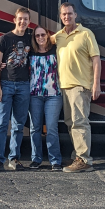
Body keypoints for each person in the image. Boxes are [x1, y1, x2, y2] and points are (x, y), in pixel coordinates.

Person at [53, 2, 100, 173]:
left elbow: (96, 59)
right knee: (70, 123)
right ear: (60, 16)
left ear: (75, 15)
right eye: (64, 14)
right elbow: (40, 43)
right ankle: (78, 155)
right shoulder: (58, 36)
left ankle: (84, 160)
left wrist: (96, 84)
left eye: (69, 13)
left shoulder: (86, 34)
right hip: (64, 86)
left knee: (79, 122)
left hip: (80, 86)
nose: (67, 16)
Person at [0, 7, 32, 172]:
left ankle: (14, 159)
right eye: (20, 18)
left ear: (29, 21)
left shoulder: (31, 39)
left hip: (24, 85)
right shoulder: (4, 39)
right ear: (14, 20)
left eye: (25, 19)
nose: (22, 22)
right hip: (6, 84)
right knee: (2, 124)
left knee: (18, 125)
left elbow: (46, 43)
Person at [27, 26, 63, 171]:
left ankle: (55, 160)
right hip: (34, 95)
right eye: (37, 36)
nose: (40, 38)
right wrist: (3, 65)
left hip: (53, 95)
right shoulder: (30, 52)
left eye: (43, 35)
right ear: (34, 38)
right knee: (34, 128)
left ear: (48, 35)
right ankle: (36, 159)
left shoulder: (56, 50)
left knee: (52, 128)